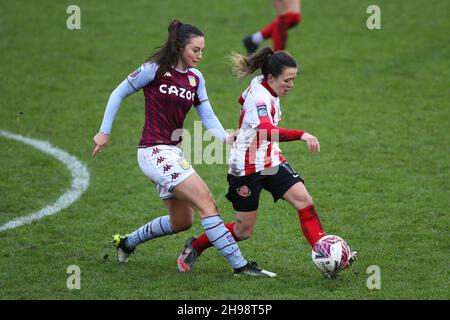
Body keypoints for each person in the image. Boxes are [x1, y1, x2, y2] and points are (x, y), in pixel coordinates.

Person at [92, 20, 276, 277]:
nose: (200, 56)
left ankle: (126, 243)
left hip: (172, 152)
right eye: (195, 50)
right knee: (208, 204)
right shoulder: (154, 70)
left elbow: (207, 114)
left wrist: (225, 137)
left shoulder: (195, 78)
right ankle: (241, 266)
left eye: (202, 50)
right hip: (154, 151)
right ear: (179, 47)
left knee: (182, 222)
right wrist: (104, 131)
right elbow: (117, 93)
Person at [177, 47, 358, 276]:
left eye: (294, 79)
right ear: (272, 78)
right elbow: (266, 130)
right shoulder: (260, 98)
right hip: (246, 167)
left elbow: (240, 98)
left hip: (271, 159)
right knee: (243, 230)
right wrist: (302, 134)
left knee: (304, 200)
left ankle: (326, 253)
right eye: (287, 80)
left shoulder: (261, 82)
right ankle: (195, 245)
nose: (291, 85)